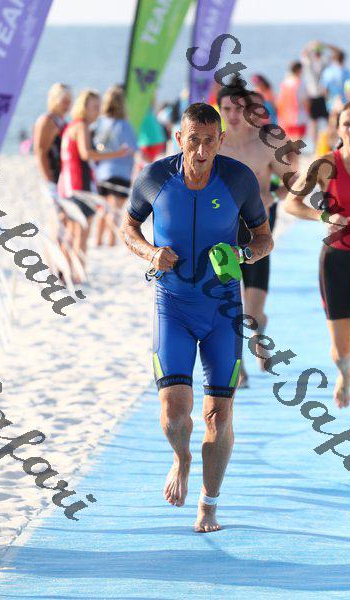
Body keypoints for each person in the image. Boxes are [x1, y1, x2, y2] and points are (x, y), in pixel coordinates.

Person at [119, 103, 273, 532]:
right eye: (193, 141)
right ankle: (181, 457)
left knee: (219, 415)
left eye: (209, 141)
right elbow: (127, 228)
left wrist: (243, 253)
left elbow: (265, 238)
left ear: (221, 140)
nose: (201, 151)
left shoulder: (238, 179)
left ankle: (209, 504)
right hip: (172, 307)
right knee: (174, 414)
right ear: (179, 139)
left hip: (223, 311)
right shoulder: (154, 177)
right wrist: (150, 252)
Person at [217, 84, 298, 386]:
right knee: (229, 302)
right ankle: (237, 365)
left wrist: (272, 196)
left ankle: (259, 333)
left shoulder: (265, 143)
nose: (233, 115)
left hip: (258, 230)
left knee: (252, 311)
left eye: (239, 109)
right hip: (223, 230)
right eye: (226, 109)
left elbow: (292, 178)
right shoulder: (215, 146)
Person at [285, 102, 350, 409]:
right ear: (338, 129)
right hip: (336, 260)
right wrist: (324, 217)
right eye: (347, 124)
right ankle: (344, 373)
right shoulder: (326, 165)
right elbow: (291, 204)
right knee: (342, 350)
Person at [58, 89, 130, 277]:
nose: (98, 112)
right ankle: (77, 274)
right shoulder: (81, 126)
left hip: (68, 183)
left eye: (99, 107)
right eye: (95, 107)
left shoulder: (71, 125)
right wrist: (116, 154)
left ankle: (64, 271)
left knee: (72, 231)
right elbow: (86, 154)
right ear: (84, 108)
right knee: (81, 232)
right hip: (79, 185)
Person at [92, 85, 137, 247]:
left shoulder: (99, 123)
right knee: (115, 210)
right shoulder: (124, 125)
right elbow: (133, 148)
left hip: (102, 172)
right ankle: (110, 242)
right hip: (121, 172)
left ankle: (97, 240)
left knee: (103, 208)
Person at [33, 83, 72, 187]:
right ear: (54, 100)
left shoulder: (62, 122)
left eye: (69, 101)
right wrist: (48, 180)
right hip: (51, 174)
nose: (67, 105)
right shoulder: (47, 121)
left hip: (61, 175)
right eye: (64, 101)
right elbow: (40, 152)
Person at [301, 41, 333, 150]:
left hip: (323, 97)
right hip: (313, 97)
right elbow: (304, 53)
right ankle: (315, 146)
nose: (317, 53)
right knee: (313, 123)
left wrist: (324, 45)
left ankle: (329, 144)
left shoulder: (324, 62)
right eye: (316, 52)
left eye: (319, 52)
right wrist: (311, 45)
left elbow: (334, 55)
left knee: (329, 121)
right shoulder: (309, 62)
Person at [276, 61, 309, 141]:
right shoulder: (300, 83)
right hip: (299, 116)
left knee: (290, 139)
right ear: (299, 70)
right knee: (298, 140)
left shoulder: (285, 82)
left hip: (286, 116)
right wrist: (309, 112)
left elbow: (279, 101)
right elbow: (305, 101)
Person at [321, 49, 350, 113]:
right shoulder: (348, 72)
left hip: (332, 104)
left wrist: (327, 101)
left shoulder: (328, 72)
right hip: (345, 104)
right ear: (343, 59)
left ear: (333, 59)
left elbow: (324, 89)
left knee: (333, 119)